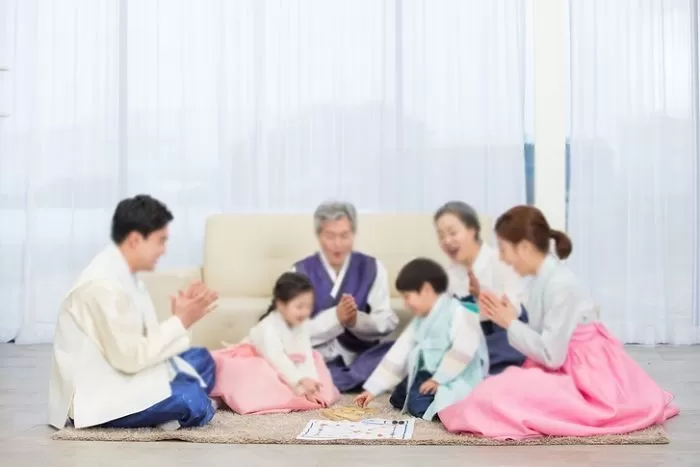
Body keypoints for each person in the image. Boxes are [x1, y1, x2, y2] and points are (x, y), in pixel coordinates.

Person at [439, 205, 680, 439]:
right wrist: (508, 316)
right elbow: (541, 335)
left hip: (585, 376)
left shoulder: (561, 285)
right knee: (489, 389)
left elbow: (552, 356)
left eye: (504, 249)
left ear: (523, 247)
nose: (502, 258)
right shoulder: (539, 279)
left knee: (495, 395)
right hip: (559, 362)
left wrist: (510, 322)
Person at [48, 195, 219, 430]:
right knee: (193, 400)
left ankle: (165, 405)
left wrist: (181, 319)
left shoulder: (124, 273)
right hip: (98, 396)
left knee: (202, 359)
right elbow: (130, 359)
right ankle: (168, 406)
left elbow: (140, 343)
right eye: (160, 241)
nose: (164, 250)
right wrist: (180, 321)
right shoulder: (101, 287)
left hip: (126, 370)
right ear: (136, 240)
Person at [354, 258, 488, 421]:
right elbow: (399, 352)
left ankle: (453, 404)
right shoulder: (421, 320)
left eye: (407, 296)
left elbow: (463, 351)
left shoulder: (459, 312)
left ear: (426, 290)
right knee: (398, 397)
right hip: (428, 374)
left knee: (416, 404)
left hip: (455, 375)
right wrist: (373, 389)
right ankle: (428, 392)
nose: (405, 304)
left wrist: (439, 379)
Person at [292, 201, 399, 392]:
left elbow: (386, 321)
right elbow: (291, 330)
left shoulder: (372, 267)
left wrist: (356, 320)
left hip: (362, 355)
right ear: (319, 235)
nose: (338, 244)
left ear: (353, 234)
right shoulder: (299, 271)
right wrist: (336, 319)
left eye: (344, 235)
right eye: (330, 236)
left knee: (401, 350)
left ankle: (337, 380)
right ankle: (353, 380)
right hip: (319, 357)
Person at [210, 272, 340, 414]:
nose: (304, 312)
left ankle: (301, 390)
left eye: (308, 307)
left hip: (287, 366)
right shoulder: (267, 328)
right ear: (281, 305)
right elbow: (277, 358)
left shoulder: (300, 325)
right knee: (263, 376)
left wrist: (310, 381)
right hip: (263, 361)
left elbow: (305, 353)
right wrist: (299, 381)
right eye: (299, 306)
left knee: (316, 363)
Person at [434, 201, 528, 375]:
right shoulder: (448, 274)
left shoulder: (501, 261)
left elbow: (513, 313)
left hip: (505, 334)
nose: (447, 241)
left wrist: (481, 295)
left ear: (473, 230)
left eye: (453, 233)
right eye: (441, 236)